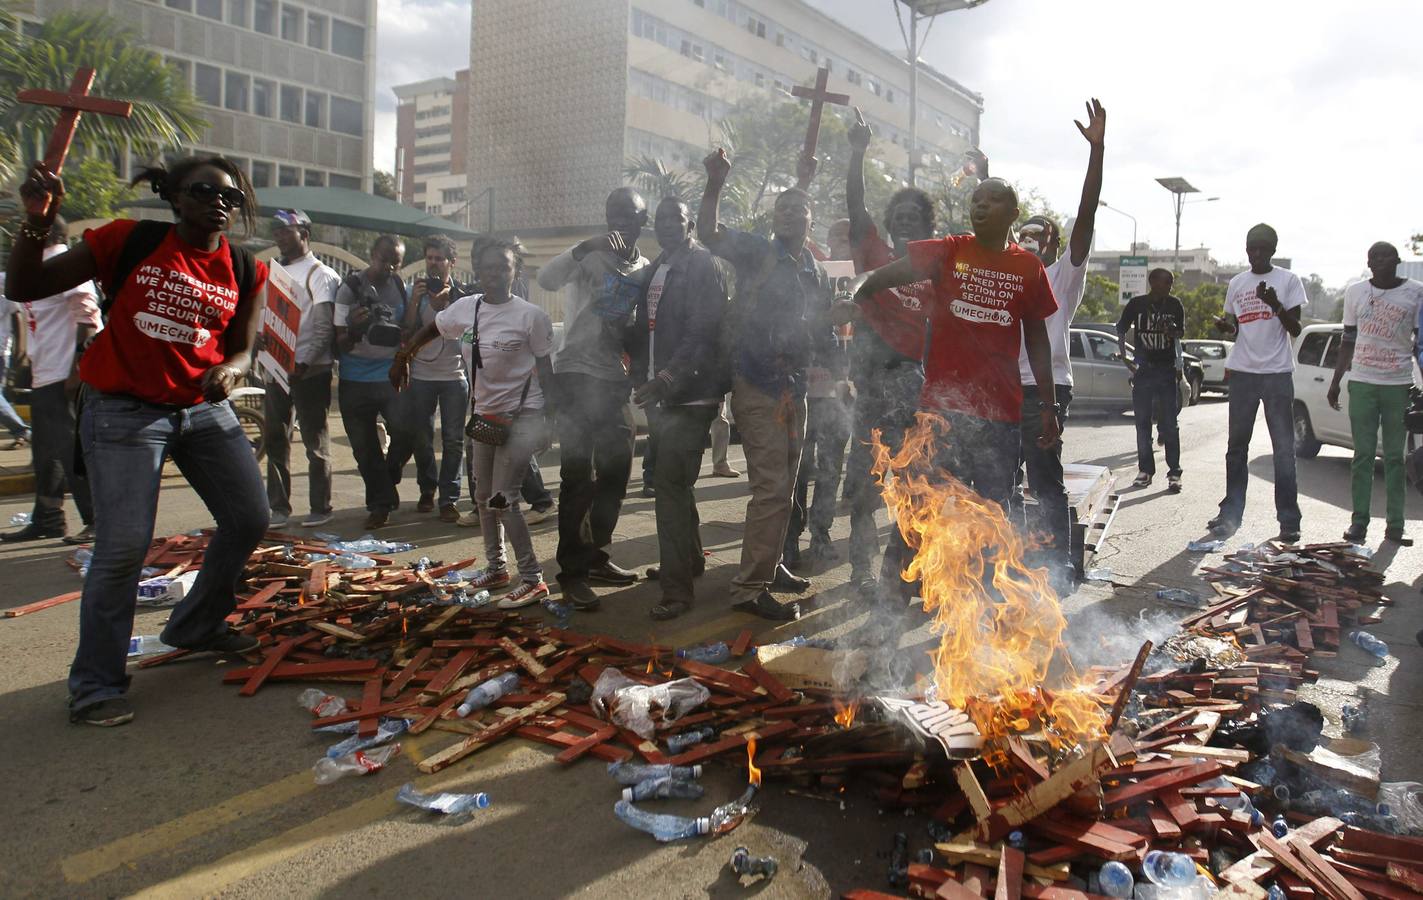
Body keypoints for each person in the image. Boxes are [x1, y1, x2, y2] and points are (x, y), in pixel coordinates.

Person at [8, 156, 270, 727]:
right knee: (124, 546)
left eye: (231, 197)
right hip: (124, 411)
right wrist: (35, 221)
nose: (220, 203)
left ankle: (196, 624)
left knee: (250, 517)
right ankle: (96, 683)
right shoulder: (129, 240)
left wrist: (233, 369)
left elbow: (243, 347)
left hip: (200, 410)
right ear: (175, 197)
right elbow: (25, 284)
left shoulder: (247, 269)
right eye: (205, 192)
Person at [851, 177, 1061, 600]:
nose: (981, 206)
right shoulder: (948, 250)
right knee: (921, 505)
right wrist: (860, 306)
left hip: (999, 417)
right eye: (976, 199)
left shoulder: (1029, 268)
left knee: (990, 515)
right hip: (942, 412)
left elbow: (1037, 337)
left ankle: (978, 604)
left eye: (994, 199)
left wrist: (1049, 404)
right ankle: (892, 598)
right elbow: (879, 279)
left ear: (1013, 214)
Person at [699, 148, 833, 621]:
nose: (791, 214)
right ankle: (748, 587)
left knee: (790, 485)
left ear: (811, 219)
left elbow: (819, 329)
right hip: (756, 383)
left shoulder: (813, 269)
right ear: (773, 219)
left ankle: (772, 565)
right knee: (772, 487)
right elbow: (710, 234)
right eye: (782, 209)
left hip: (793, 389)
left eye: (799, 208)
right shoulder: (758, 252)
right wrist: (715, 182)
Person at [393, 238, 553, 608]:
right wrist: (404, 355)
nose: (495, 274)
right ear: (477, 271)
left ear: (515, 271)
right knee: (482, 496)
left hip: (524, 416)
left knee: (504, 497)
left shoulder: (531, 316)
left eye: (503, 267)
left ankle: (532, 578)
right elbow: (433, 328)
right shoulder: (467, 309)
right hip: (485, 417)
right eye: (488, 267)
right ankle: (497, 568)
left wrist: (551, 420)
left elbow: (546, 369)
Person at [839, 108, 937, 596]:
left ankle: (905, 574)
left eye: (912, 218)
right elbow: (855, 205)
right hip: (872, 388)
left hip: (914, 388)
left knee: (912, 486)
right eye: (896, 217)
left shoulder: (939, 267)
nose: (903, 223)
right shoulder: (874, 256)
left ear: (926, 226)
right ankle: (860, 568)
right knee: (863, 488)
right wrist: (857, 152)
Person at [537, 188, 648, 596]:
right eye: (611, 214)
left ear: (642, 222)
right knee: (577, 477)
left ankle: (597, 554)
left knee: (617, 473)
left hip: (613, 382)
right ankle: (573, 574)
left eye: (627, 215)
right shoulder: (589, 255)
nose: (618, 221)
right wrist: (584, 247)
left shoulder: (645, 269)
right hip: (575, 375)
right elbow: (546, 280)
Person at [1012, 100, 1104, 581]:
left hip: (1045, 391)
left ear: (1052, 244)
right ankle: (1013, 561)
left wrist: (1097, 152)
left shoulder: (1062, 276)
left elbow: (1085, 215)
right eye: (1023, 233)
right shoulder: (1003, 276)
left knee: (1045, 478)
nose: (1031, 240)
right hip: (1003, 391)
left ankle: (1062, 567)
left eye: (1040, 235)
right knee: (1002, 481)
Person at [627, 197, 731, 620]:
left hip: (691, 394)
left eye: (677, 218)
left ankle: (677, 591)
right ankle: (688, 562)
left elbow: (702, 332)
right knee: (675, 484)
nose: (668, 224)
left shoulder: (703, 264)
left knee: (668, 487)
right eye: (662, 218)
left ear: (690, 225)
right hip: (661, 394)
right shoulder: (658, 266)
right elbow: (644, 329)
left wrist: (665, 378)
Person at [0, 217, 100, 544]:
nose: (19, 237)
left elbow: (88, 316)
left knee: (72, 451)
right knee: (46, 453)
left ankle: (96, 520)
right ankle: (48, 519)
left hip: (65, 374)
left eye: (24, 231)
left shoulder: (63, 263)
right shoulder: (38, 266)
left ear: (46, 233)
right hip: (46, 372)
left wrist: (77, 369)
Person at [1209, 223, 1305, 542]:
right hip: (1243, 373)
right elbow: (1237, 329)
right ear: (1246, 249)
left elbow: (1295, 329)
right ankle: (1230, 514)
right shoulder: (1237, 283)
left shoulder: (1288, 281)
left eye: (1264, 249)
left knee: (1283, 448)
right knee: (1236, 448)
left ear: (1274, 250)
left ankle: (1289, 520)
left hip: (1277, 374)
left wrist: (1274, 304)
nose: (1258, 254)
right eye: (1253, 248)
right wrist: (1226, 328)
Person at [1328, 242, 1423, 545]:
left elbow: (1421, 342)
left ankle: (1395, 526)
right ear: (1367, 263)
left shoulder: (1416, 292)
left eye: (1385, 256)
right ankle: (1359, 523)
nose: (1379, 261)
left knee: (1395, 457)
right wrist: (1336, 380)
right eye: (1373, 257)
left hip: (1398, 384)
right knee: (1363, 456)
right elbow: (1348, 339)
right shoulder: (1355, 292)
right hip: (1363, 383)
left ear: (1398, 260)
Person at [385, 234, 471, 523]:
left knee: (453, 440)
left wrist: (448, 302)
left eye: (439, 259)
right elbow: (406, 333)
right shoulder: (413, 291)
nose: (434, 264)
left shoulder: (462, 295)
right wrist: (416, 302)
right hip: (420, 375)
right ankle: (427, 489)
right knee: (422, 437)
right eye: (430, 258)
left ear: (451, 263)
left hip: (454, 375)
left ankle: (449, 499)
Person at [262, 209, 339, 529]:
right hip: (275, 369)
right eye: (276, 230)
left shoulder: (320, 274)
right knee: (275, 440)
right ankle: (278, 508)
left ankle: (321, 507)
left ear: (304, 234)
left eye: (286, 230)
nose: (279, 235)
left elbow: (323, 328)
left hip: (310, 372)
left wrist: (303, 363)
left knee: (314, 443)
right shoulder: (275, 271)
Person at [334, 234, 407, 529]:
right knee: (364, 448)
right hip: (354, 379)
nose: (388, 266)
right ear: (372, 253)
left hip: (390, 375)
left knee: (408, 433)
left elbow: (406, 329)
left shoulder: (401, 287)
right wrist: (354, 329)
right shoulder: (349, 288)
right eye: (384, 259)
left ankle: (387, 480)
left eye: (395, 262)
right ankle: (379, 505)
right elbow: (338, 341)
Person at [1118, 269, 1185, 490]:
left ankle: (1174, 474)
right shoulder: (1137, 304)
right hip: (1143, 371)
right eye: (1165, 282)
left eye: (1171, 283)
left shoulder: (1175, 305)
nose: (1169, 286)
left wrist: (1173, 332)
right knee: (1142, 423)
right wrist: (1126, 358)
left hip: (1166, 370)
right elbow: (1120, 329)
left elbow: (1180, 335)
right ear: (1153, 282)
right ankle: (1145, 471)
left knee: (1169, 424)